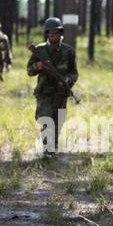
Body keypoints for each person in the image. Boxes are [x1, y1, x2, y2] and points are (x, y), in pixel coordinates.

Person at [27, 17, 79, 159]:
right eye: (50, 33)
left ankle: (52, 148)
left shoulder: (68, 51)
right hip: (44, 93)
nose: (53, 36)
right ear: (47, 34)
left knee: (58, 123)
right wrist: (38, 66)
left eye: (56, 33)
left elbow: (74, 72)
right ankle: (47, 150)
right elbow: (29, 71)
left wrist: (68, 80)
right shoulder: (40, 50)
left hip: (61, 94)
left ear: (61, 33)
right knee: (45, 120)